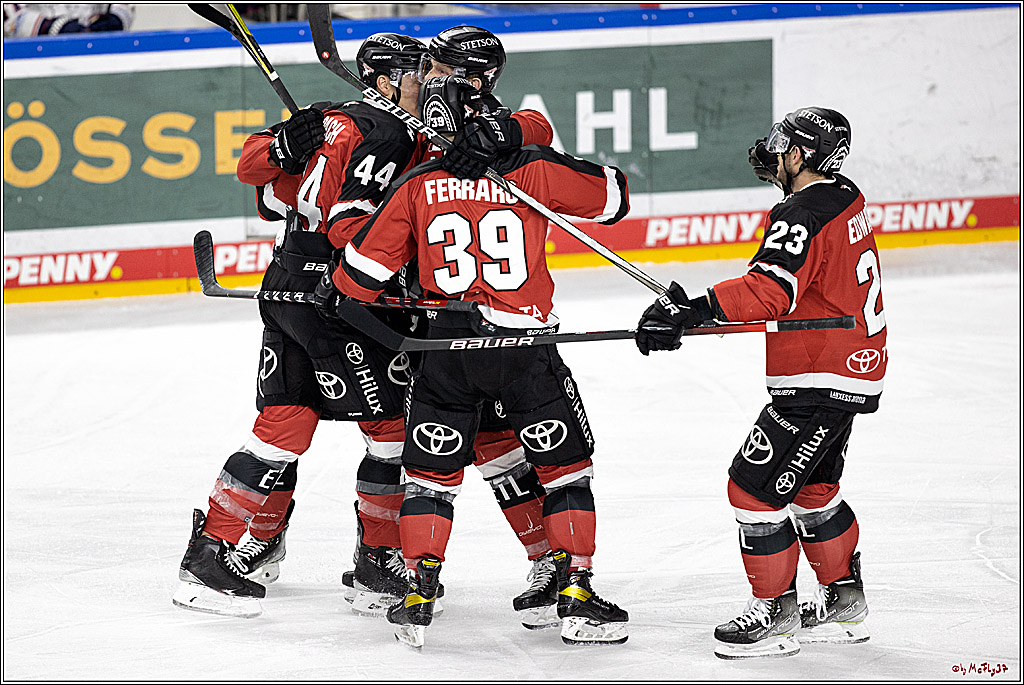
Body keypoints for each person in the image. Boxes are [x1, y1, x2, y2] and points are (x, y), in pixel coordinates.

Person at [321, 75, 632, 649]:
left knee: (431, 481)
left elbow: (357, 280)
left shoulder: (418, 182)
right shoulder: (531, 169)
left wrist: (382, 288)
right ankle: (576, 595)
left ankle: (417, 595)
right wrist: (522, 146)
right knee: (566, 472)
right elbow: (615, 196)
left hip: (445, 350)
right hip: (523, 350)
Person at [635, 107, 886, 659]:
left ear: (802, 155)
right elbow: (801, 292)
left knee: (750, 488)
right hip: (849, 365)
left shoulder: (800, 212)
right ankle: (844, 601)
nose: (773, 152)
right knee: (813, 490)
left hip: (818, 377)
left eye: (784, 144)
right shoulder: (844, 196)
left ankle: (775, 617)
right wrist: (701, 316)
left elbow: (771, 292)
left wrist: (694, 308)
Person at [3, 3, 133, 36]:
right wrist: (56, 27)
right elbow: (8, 13)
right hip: (36, 56)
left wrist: (117, 19)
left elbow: (125, 7)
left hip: (96, 51)